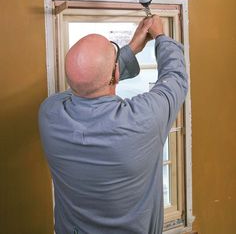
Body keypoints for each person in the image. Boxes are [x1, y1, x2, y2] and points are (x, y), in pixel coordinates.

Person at [39, 15, 188, 234]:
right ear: (117, 73)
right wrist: (160, 36)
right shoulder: (141, 120)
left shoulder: (49, 113)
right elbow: (175, 77)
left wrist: (130, 49)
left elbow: (89, 83)